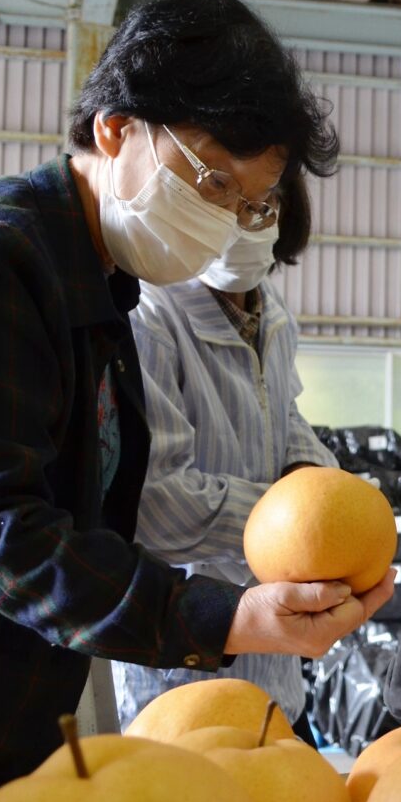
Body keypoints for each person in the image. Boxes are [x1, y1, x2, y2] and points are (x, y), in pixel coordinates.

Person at [0, 0, 393, 795]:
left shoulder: (104, 292)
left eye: (251, 204)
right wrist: (227, 616)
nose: (228, 222)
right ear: (115, 128)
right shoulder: (2, 265)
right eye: (211, 184)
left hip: (23, 721)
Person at [112, 174, 337, 740]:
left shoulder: (274, 312)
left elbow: (285, 416)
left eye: (265, 205)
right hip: (179, 683)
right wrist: (295, 524)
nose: (248, 220)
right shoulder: (149, 315)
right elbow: (158, 503)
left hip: (279, 684)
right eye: (227, 200)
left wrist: (322, 486)